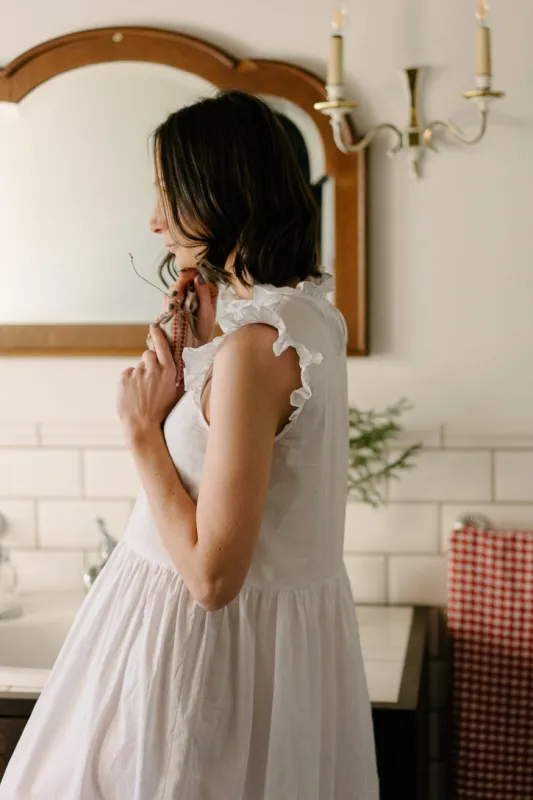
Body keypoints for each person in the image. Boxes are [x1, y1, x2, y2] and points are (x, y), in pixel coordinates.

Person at [0, 89, 379, 799]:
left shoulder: (255, 346)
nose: (153, 221)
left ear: (218, 192)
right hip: (229, 656)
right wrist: (199, 361)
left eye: (166, 194)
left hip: (194, 665)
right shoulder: (307, 317)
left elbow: (210, 579)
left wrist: (144, 432)